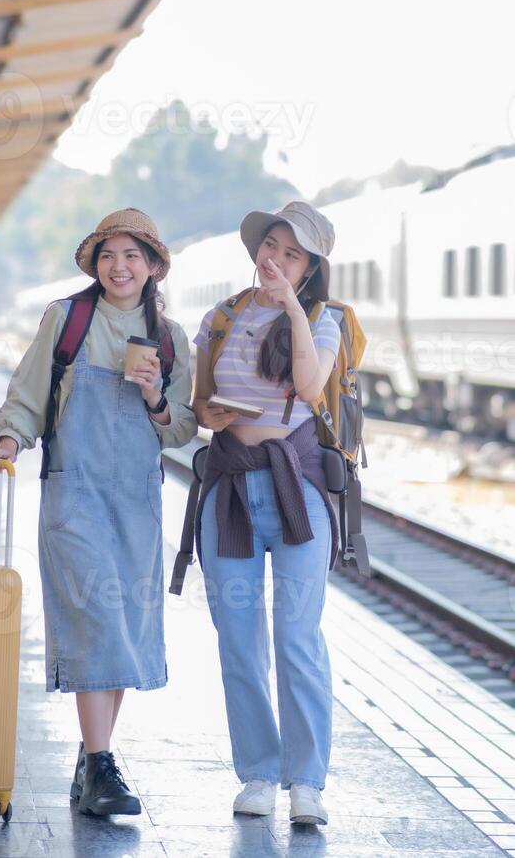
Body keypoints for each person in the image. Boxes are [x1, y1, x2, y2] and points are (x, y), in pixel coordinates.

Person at [0, 209, 196, 817]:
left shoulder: (172, 337)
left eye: (131, 256)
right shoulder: (67, 320)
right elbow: (27, 395)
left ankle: (93, 760)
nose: (118, 266)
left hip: (135, 500)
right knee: (98, 618)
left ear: (153, 266)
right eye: (108, 255)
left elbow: (181, 429)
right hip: (73, 495)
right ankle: (102, 765)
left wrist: (154, 394)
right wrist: (8, 440)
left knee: (121, 627)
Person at [191, 201, 341, 826]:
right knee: (239, 641)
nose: (274, 259)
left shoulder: (326, 320)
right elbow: (200, 404)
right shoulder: (221, 316)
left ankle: (306, 782)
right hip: (230, 489)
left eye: (292, 253)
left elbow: (309, 387)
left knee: (297, 637)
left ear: (309, 270)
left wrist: (292, 312)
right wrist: (211, 415)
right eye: (270, 245)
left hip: (298, 490)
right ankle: (257, 772)